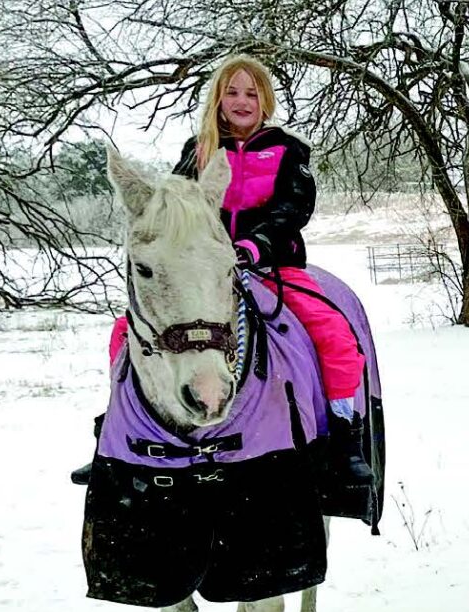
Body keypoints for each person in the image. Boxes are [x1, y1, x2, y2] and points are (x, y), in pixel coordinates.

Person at [82, 55, 370, 490]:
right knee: (125, 334)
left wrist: (255, 245)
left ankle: (345, 435)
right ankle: (116, 432)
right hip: (202, 270)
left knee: (332, 331)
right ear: (218, 98)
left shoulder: (287, 150)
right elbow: (175, 207)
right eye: (232, 92)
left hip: (272, 265)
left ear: (265, 100)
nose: (241, 100)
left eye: (251, 93)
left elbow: (295, 208)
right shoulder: (197, 151)